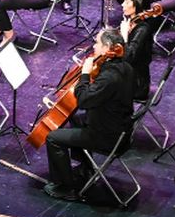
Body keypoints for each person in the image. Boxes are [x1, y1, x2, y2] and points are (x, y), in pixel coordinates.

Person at [43, 27, 134, 201]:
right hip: (122, 129)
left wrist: (85, 75)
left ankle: (65, 187)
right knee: (76, 118)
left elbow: (84, 100)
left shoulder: (109, 77)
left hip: (107, 136)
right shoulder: (126, 67)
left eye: (97, 43)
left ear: (108, 48)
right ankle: (85, 169)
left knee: (53, 137)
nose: (94, 46)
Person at [118, 0, 163, 101]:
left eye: (126, 2)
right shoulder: (132, 22)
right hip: (127, 75)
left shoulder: (143, 29)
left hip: (135, 85)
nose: (122, 4)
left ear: (136, 5)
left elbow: (129, 57)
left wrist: (124, 36)